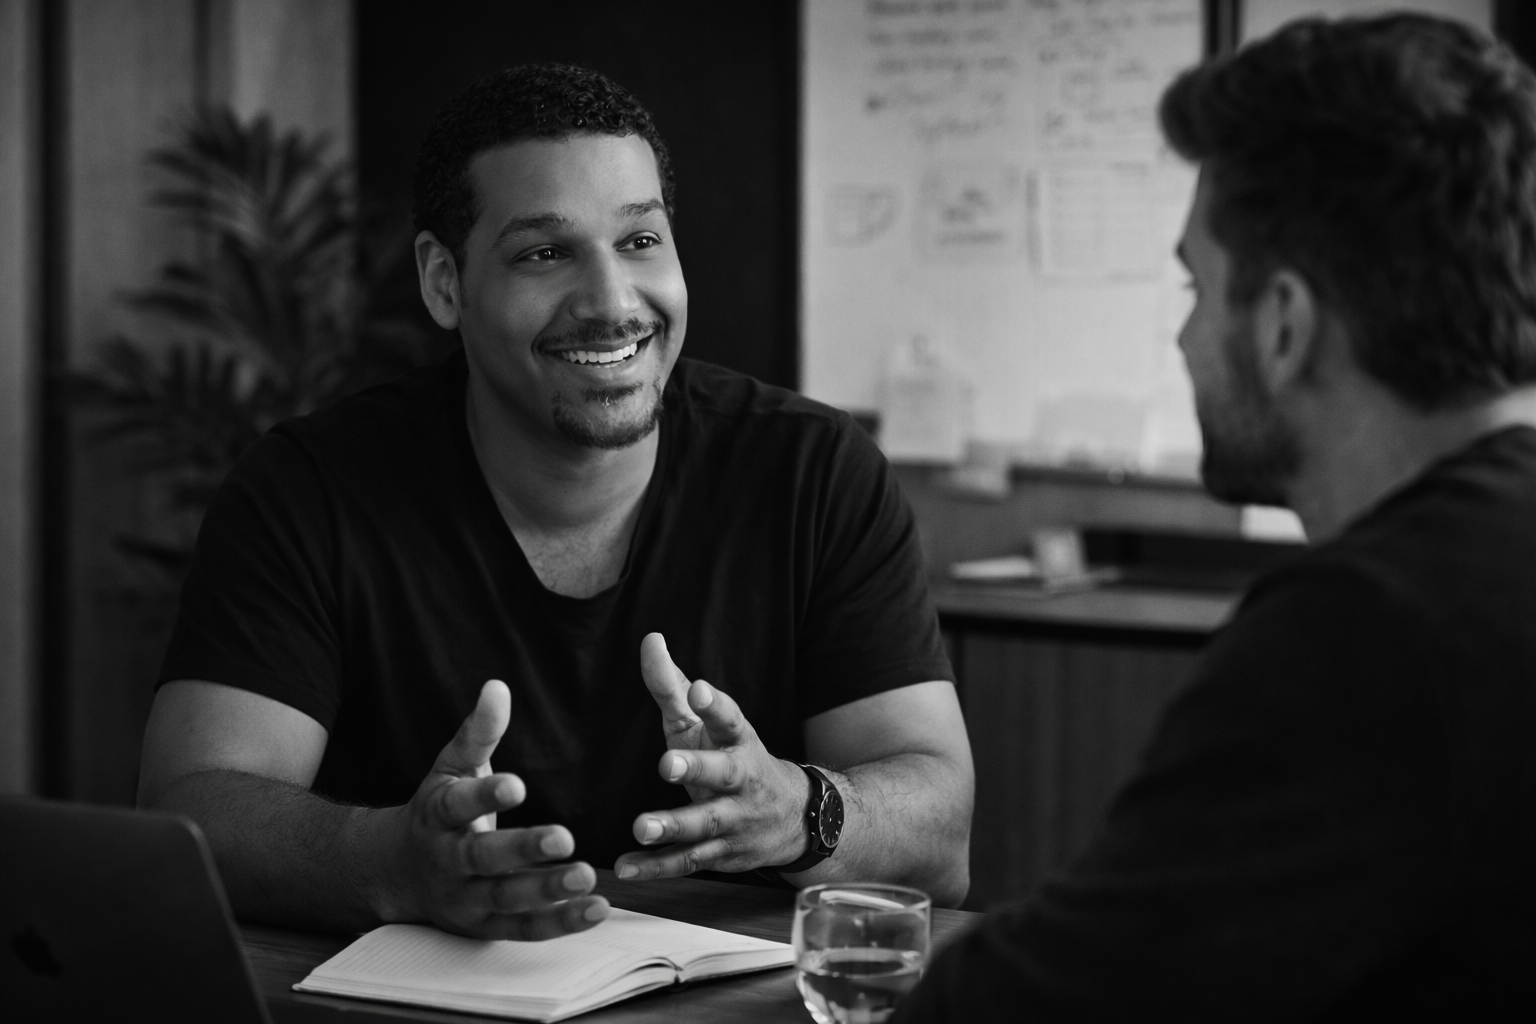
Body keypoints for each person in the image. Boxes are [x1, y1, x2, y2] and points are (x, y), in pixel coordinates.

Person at [136, 63, 973, 942]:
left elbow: (942, 836)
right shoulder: (308, 489)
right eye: (544, 253)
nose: (613, 303)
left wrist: (800, 811)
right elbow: (194, 809)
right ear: (444, 283)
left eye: (641, 241)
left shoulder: (815, 472)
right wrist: (389, 859)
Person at [898, 14, 1536, 1022]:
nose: (1185, 335)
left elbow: (1042, 1001)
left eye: (1198, 285)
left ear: (1284, 323)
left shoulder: (1364, 630)